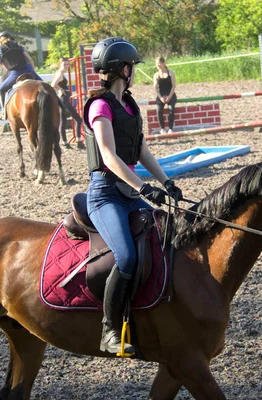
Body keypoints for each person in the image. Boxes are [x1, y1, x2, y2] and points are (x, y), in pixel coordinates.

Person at [83, 37, 183, 355]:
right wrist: (143, 187)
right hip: (105, 196)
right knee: (126, 257)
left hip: (128, 192)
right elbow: (110, 158)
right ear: (124, 69)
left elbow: (139, 149)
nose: (134, 72)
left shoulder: (129, 104)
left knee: (166, 235)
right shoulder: (100, 107)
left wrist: (166, 182)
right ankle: (109, 330)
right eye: (132, 67)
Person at [0, 31, 43, 120]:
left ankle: (3, 112)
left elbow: (5, 67)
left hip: (15, 73)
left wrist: (11, 73)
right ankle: (62, 107)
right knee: (46, 87)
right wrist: (32, 71)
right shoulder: (19, 47)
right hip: (28, 70)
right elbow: (30, 59)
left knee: (0, 91)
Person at [51, 57, 85, 149]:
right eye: (64, 64)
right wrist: (61, 89)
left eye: (67, 64)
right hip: (63, 99)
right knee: (69, 120)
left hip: (64, 98)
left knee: (74, 119)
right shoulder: (60, 73)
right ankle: (71, 141)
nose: (66, 66)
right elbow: (53, 84)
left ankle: (74, 141)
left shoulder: (60, 73)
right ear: (60, 65)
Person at [153, 57, 177, 134]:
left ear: (163, 63)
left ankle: (170, 128)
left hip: (170, 94)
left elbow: (173, 86)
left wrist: (169, 96)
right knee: (159, 110)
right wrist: (160, 97)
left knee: (171, 109)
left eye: (159, 63)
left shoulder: (171, 73)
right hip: (161, 95)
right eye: (156, 64)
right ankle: (162, 128)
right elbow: (155, 88)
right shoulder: (156, 75)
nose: (157, 65)